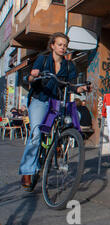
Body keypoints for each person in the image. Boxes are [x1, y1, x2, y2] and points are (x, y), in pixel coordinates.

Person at [18, 32, 90, 191]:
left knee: (75, 116)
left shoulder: (69, 65)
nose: (63, 48)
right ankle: (27, 171)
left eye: (65, 45)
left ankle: (57, 143)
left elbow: (69, 85)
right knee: (36, 134)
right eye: (60, 44)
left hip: (57, 102)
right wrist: (33, 76)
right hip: (40, 100)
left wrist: (80, 88)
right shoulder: (43, 59)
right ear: (52, 45)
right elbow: (29, 79)